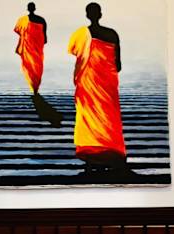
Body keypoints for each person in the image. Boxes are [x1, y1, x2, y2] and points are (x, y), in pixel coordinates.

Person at [68, 3, 127, 172]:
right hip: (107, 82)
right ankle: (111, 150)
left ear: (87, 15)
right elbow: (118, 65)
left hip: (88, 81)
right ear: (100, 14)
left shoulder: (80, 35)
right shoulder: (112, 34)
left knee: (89, 115)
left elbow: (79, 59)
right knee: (108, 115)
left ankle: (91, 152)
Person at [14, 2, 47, 94]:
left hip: (28, 47)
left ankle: (33, 85)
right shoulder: (41, 20)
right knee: (37, 66)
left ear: (28, 9)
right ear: (34, 8)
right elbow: (45, 38)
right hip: (37, 47)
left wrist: (27, 35)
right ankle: (36, 87)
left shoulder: (22, 20)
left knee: (29, 65)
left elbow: (19, 31)